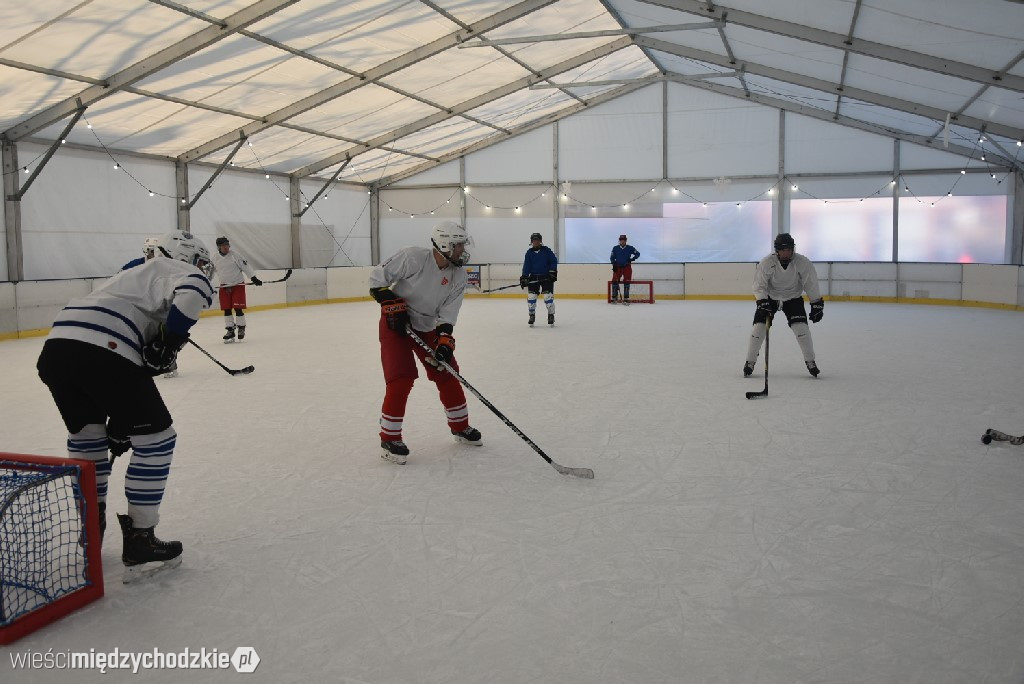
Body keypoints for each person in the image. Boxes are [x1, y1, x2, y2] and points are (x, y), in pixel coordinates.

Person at [36, 232, 215, 580]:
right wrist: (171, 341)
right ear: (179, 254)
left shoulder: (128, 278)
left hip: (58, 348)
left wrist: (121, 426)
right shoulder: (169, 267)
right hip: (103, 345)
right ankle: (141, 540)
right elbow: (194, 289)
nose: (202, 269)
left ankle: (91, 528)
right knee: (158, 440)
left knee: (88, 440)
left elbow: (128, 375)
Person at [368, 221, 482, 465]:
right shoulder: (413, 257)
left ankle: (460, 427)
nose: (462, 250)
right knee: (402, 377)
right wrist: (391, 304)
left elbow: (448, 313)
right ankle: (389, 438)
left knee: (448, 372)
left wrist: (444, 341)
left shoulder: (458, 275)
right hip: (395, 325)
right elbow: (377, 279)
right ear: (444, 245)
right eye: (458, 245)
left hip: (427, 326)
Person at [744, 233, 825, 378]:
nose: (787, 253)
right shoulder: (767, 262)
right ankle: (750, 361)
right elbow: (759, 285)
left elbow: (810, 283)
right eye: (783, 250)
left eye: (789, 249)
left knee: (801, 329)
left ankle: (810, 361)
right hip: (770, 298)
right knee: (759, 328)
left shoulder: (802, 262)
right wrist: (762, 301)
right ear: (777, 250)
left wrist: (816, 303)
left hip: (793, 297)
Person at [211, 236, 262, 342]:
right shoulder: (215, 257)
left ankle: (241, 328)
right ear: (219, 247)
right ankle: (230, 329)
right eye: (223, 245)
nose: (226, 247)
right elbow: (211, 271)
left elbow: (245, 267)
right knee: (226, 309)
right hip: (224, 286)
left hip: (237, 285)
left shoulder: (235, 255)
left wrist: (253, 278)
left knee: (238, 308)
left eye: (227, 245)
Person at [520, 232, 558, 326]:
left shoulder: (546, 250)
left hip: (546, 277)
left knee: (547, 297)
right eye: (534, 240)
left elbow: (553, 260)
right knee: (531, 298)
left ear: (540, 241)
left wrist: (552, 271)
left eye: (537, 240)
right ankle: (532, 315)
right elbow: (527, 266)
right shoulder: (529, 253)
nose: (535, 242)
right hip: (533, 277)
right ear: (531, 241)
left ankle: (551, 315)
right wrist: (524, 276)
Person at [610, 234, 640, 304]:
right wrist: (613, 263)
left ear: (626, 241)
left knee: (627, 281)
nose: (622, 241)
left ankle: (626, 298)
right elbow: (612, 257)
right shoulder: (615, 248)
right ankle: (614, 298)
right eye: (621, 240)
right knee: (614, 281)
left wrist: (632, 259)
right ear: (619, 241)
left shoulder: (630, 248)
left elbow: (638, 254)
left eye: (624, 240)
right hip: (618, 267)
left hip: (627, 267)